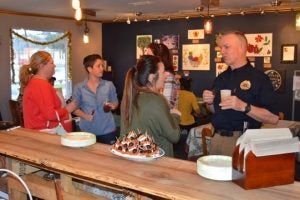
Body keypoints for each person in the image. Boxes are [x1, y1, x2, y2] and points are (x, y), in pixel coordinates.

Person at [202, 31, 279, 156]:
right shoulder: (220, 78)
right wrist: (210, 102)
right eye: (221, 48)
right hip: (216, 139)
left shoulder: (259, 78)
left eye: (226, 47)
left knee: (239, 176)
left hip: (242, 141)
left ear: (242, 48)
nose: (222, 51)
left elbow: (274, 118)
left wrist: (244, 106)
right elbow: (215, 110)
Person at [120, 55, 181, 157]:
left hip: (134, 160)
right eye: (162, 72)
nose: (166, 75)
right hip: (158, 162)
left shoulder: (128, 98)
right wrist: (175, 116)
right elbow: (174, 136)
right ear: (152, 77)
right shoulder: (157, 100)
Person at [20, 51, 77, 131]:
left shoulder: (37, 83)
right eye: (52, 63)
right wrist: (67, 109)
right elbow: (50, 115)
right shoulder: (40, 85)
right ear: (41, 66)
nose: (54, 65)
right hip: (44, 133)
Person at [73, 54, 118, 144]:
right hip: (87, 130)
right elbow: (74, 109)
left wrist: (113, 105)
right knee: (88, 157)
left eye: (102, 65)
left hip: (107, 130)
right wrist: (85, 116)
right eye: (98, 66)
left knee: (108, 157)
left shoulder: (109, 85)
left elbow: (115, 102)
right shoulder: (79, 87)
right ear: (89, 69)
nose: (102, 68)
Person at [145, 43, 179, 109]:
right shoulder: (155, 76)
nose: (147, 59)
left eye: (149, 56)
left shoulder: (168, 78)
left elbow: (167, 106)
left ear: (159, 58)